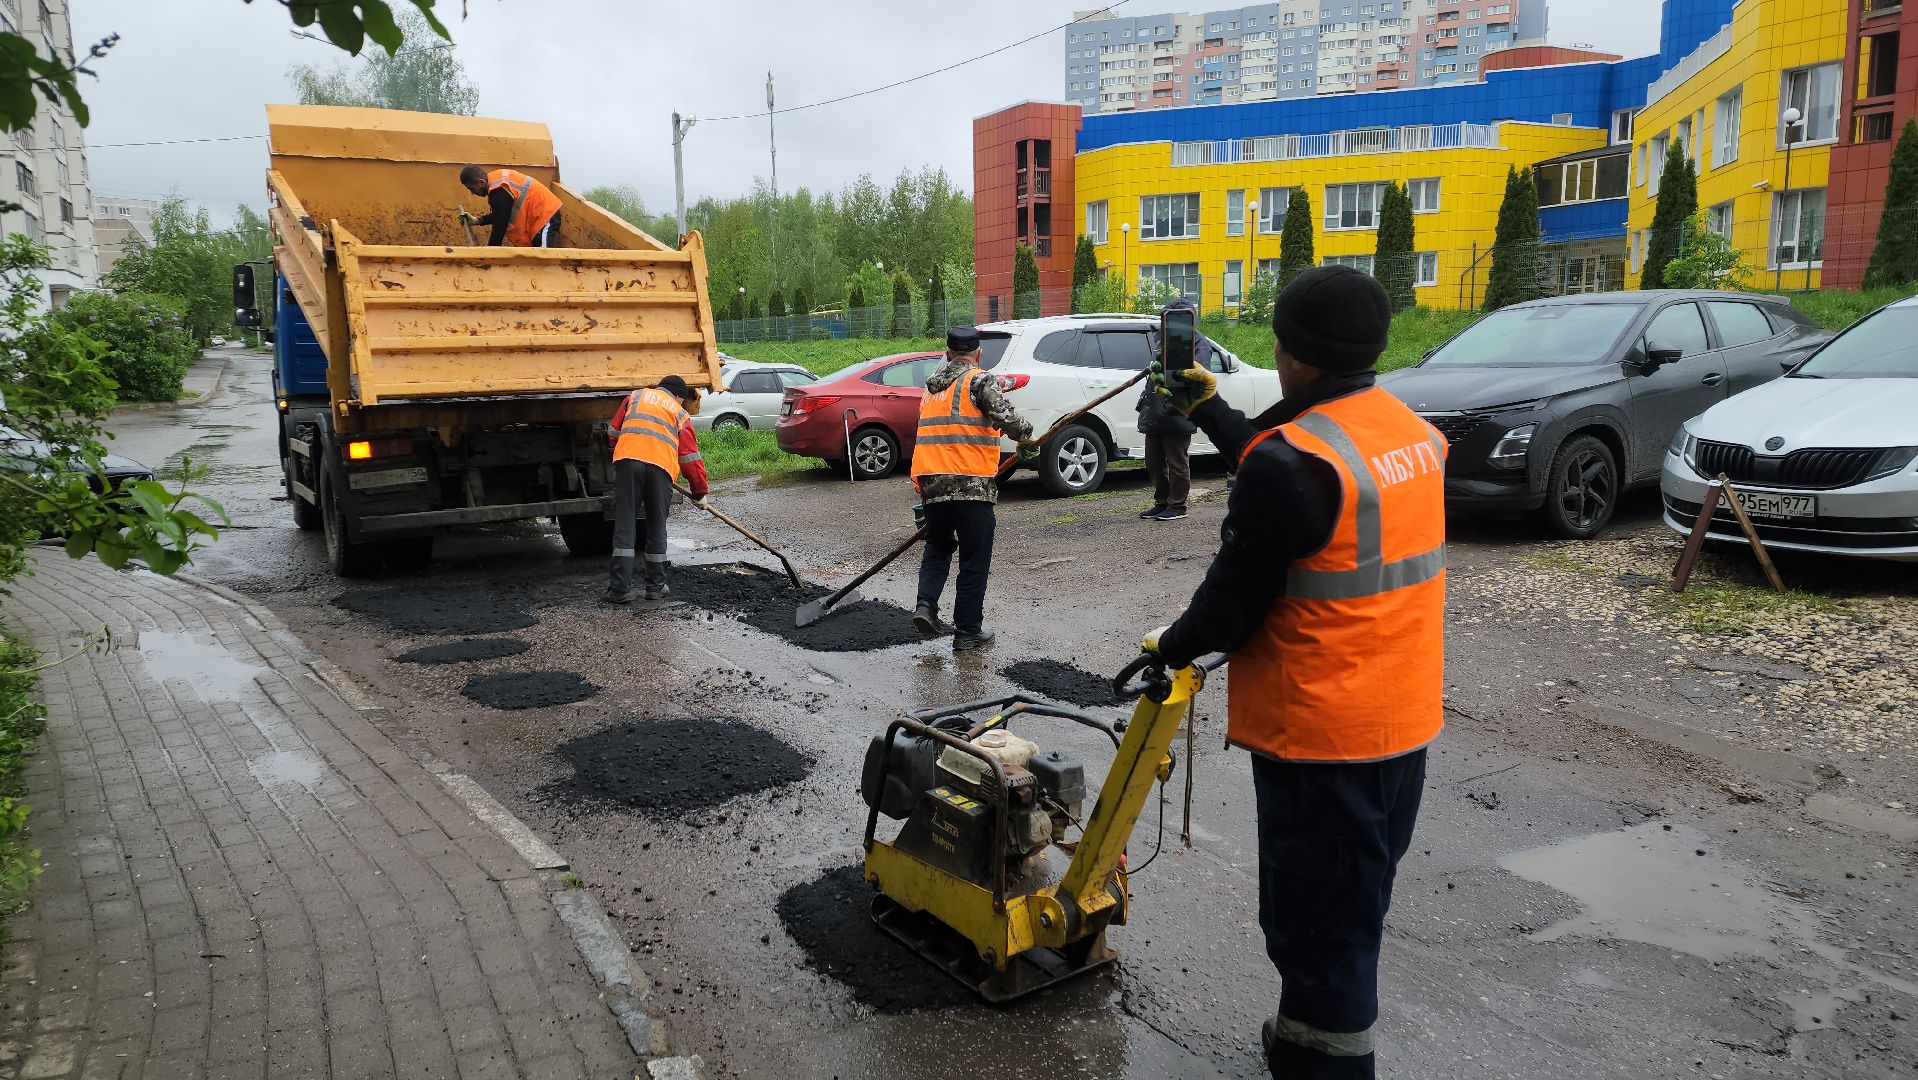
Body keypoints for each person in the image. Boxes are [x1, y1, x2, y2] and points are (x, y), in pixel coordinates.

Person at [1139, 266, 1446, 1080]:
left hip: (1323, 740)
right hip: (1401, 727)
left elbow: (1232, 602)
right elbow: (1293, 478)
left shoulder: (1295, 466)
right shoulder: (1403, 430)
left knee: (1319, 934)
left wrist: (1164, 649)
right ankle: (1306, 1034)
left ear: (1292, 353)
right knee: (1351, 911)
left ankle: (1324, 1061)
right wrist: (1210, 407)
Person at [910, 325, 1040, 651]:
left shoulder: (930, 390)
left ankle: (926, 606)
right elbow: (1007, 418)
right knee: (973, 559)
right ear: (978, 354)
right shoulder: (980, 380)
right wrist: (1027, 437)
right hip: (971, 485)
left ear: (948, 353)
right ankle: (967, 631)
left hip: (932, 485)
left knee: (937, 548)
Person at [604, 375, 708, 603]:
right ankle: (655, 587)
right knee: (656, 525)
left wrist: (622, 447)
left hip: (628, 463)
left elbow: (613, 432)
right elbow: (690, 457)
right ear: (678, 396)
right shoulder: (679, 412)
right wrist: (699, 491)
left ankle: (620, 590)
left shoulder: (636, 396)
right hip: (660, 469)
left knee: (625, 523)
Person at [1136, 296, 1205, 521]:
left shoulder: (1197, 343)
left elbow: (1195, 375)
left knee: (1176, 462)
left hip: (1178, 410)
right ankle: (1162, 501)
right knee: (1153, 461)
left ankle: (1177, 506)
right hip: (1155, 409)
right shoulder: (1162, 340)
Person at [458, 164, 563, 247]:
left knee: (542, 260)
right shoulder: (496, 183)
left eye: (471, 188)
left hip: (546, 214)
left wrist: (489, 256)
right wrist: (477, 220)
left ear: (481, 183)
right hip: (537, 219)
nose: (472, 193)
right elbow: (500, 215)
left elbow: (499, 226)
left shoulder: (499, 189)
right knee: (535, 261)